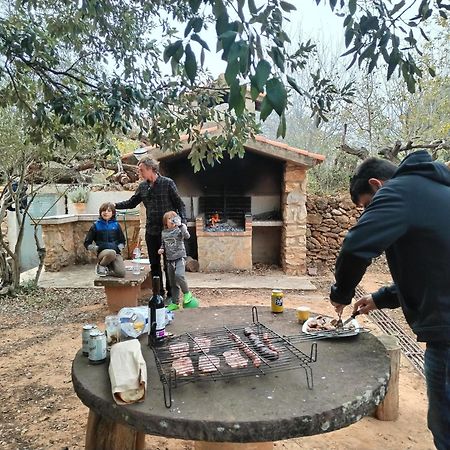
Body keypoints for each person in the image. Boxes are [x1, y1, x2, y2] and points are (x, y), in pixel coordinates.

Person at [329, 150, 450, 450]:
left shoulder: (399, 191)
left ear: (377, 185)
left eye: (368, 206)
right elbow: (435, 270)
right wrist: (381, 298)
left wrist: (341, 294)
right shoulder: (437, 191)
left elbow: (355, 247)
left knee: (446, 425)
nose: (370, 213)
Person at [114, 156, 186, 298]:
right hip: (151, 231)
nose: (139, 173)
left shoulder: (168, 183)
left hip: (169, 232)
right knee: (154, 265)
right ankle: (158, 293)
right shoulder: (142, 187)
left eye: (141, 170)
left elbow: (180, 204)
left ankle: (172, 295)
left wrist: (182, 222)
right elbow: (131, 203)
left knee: (169, 265)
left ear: (150, 169)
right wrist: (114, 206)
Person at [158, 211, 199, 311]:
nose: (172, 221)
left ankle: (187, 293)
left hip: (180, 258)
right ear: (165, 222)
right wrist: (161, 249)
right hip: (169, 260)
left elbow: (187, 236)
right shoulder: (164, 232)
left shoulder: (180, 229)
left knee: (179, 275)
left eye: (174, 218)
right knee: (172, 283)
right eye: (169, 219)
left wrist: (181, 226)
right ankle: (175, 303)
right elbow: (163, 244)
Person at [84, 202, 126, 277]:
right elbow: (87, 243)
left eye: (109, 211)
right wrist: (96, 248)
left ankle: (107, 270)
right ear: (100, 212)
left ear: (113, 213)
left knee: (121, 273)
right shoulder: (96, 225)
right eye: (104, 211)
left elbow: (122, 241)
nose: (106, 213)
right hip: (103, 253)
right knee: (111, 252)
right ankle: (101, 265)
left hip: (116, 253)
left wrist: (119, 248)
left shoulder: (116, 225)